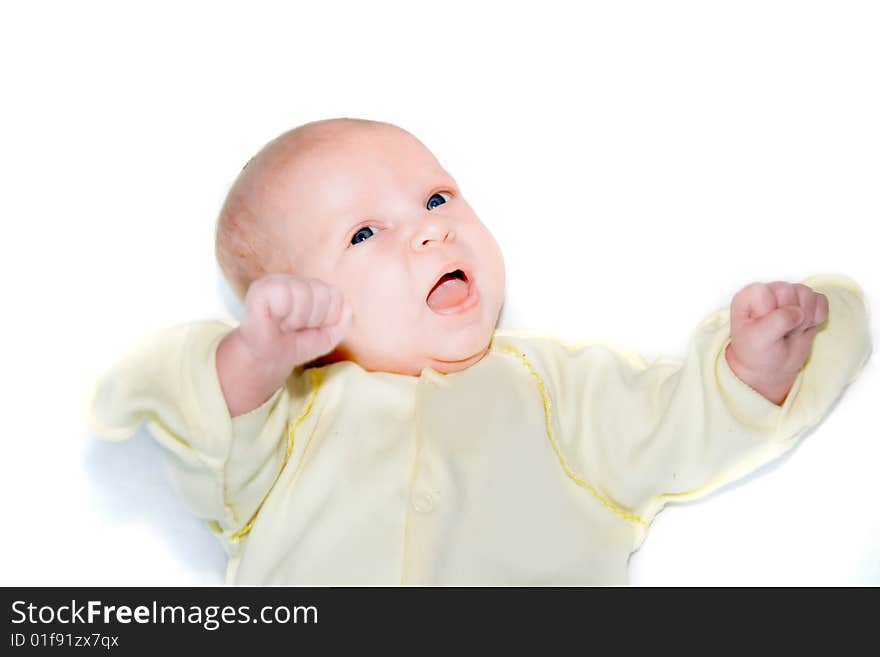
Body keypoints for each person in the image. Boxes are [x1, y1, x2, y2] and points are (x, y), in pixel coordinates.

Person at [84, 117, 871, 584]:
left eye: (436, 198)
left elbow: (677, 428)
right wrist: (254, 357)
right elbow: (208, 450)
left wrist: (750, 371)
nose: (431, 227)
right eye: (364, 233)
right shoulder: (290, 423)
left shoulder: (558, 389)